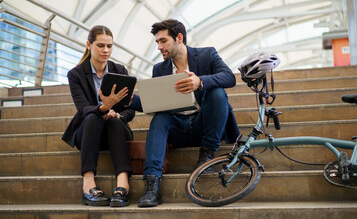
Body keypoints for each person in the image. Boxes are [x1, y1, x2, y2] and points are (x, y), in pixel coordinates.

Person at [132, 19, 241, 207]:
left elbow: (229, 77)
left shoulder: (207, 54)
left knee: (217, 92)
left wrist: (200, 81)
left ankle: (206, 157)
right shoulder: (160, 69)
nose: (159, 47)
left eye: (163, 41)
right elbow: (154, 105)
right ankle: (152, 186)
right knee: (160, 118)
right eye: (157, 42)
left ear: (179, 38)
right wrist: (127, 100)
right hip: (178, 129)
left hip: (205, 125)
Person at [62, 25, 134, 207]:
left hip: (114, 132)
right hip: (88, 133)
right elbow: (83, 109)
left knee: (115, 122)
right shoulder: (76, 74)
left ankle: (122, 182)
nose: (106, 50)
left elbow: (130, 110)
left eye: (109, 46)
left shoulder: (120, 70)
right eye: (100, 45)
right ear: (89, 45)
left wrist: (117, 113)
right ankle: (88, 184)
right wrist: (103, 108)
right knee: (93, 117)